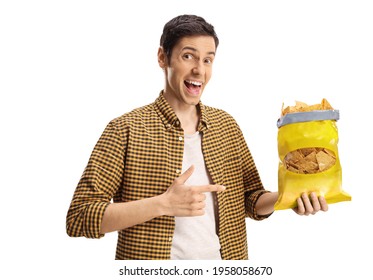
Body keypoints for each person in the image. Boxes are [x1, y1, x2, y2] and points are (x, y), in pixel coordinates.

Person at [66, 14, 328, 260]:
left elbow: (251, 200)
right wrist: (162, 204)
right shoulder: (125, 129)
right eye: (188, 56)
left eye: (207, 59)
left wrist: (288, 197)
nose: (199, 71)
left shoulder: (226, 126)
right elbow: (79, 217)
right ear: (162, 58)